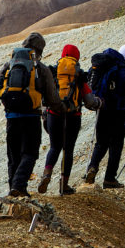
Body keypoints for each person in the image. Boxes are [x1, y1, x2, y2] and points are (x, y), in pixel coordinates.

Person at [0, 33, 62, 197]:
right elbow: (52, 97)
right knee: (30, 153)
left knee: (13, 156)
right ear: (40, 50)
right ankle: (19, 186)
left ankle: (14, 190)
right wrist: (62, 109)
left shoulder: (8, 66)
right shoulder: (40, 68)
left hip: (11, 118)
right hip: (31, 118)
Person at [39, 45, 101, 196]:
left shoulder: (53, 72)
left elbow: (43, 96)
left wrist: (44, 113)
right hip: (73, 117)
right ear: (77, 57)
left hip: (54, 115)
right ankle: (64, 184)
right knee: (68, 149)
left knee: (55, 146)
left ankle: (46, 174)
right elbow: (89, 100)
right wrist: (99, 103)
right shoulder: (79, 75)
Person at [84, 44, 125, 189]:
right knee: (116, 145)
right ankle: (110, 179)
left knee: (101, 143)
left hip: (101, 110)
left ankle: (92, 168)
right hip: (118, 113)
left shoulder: (103, 66)